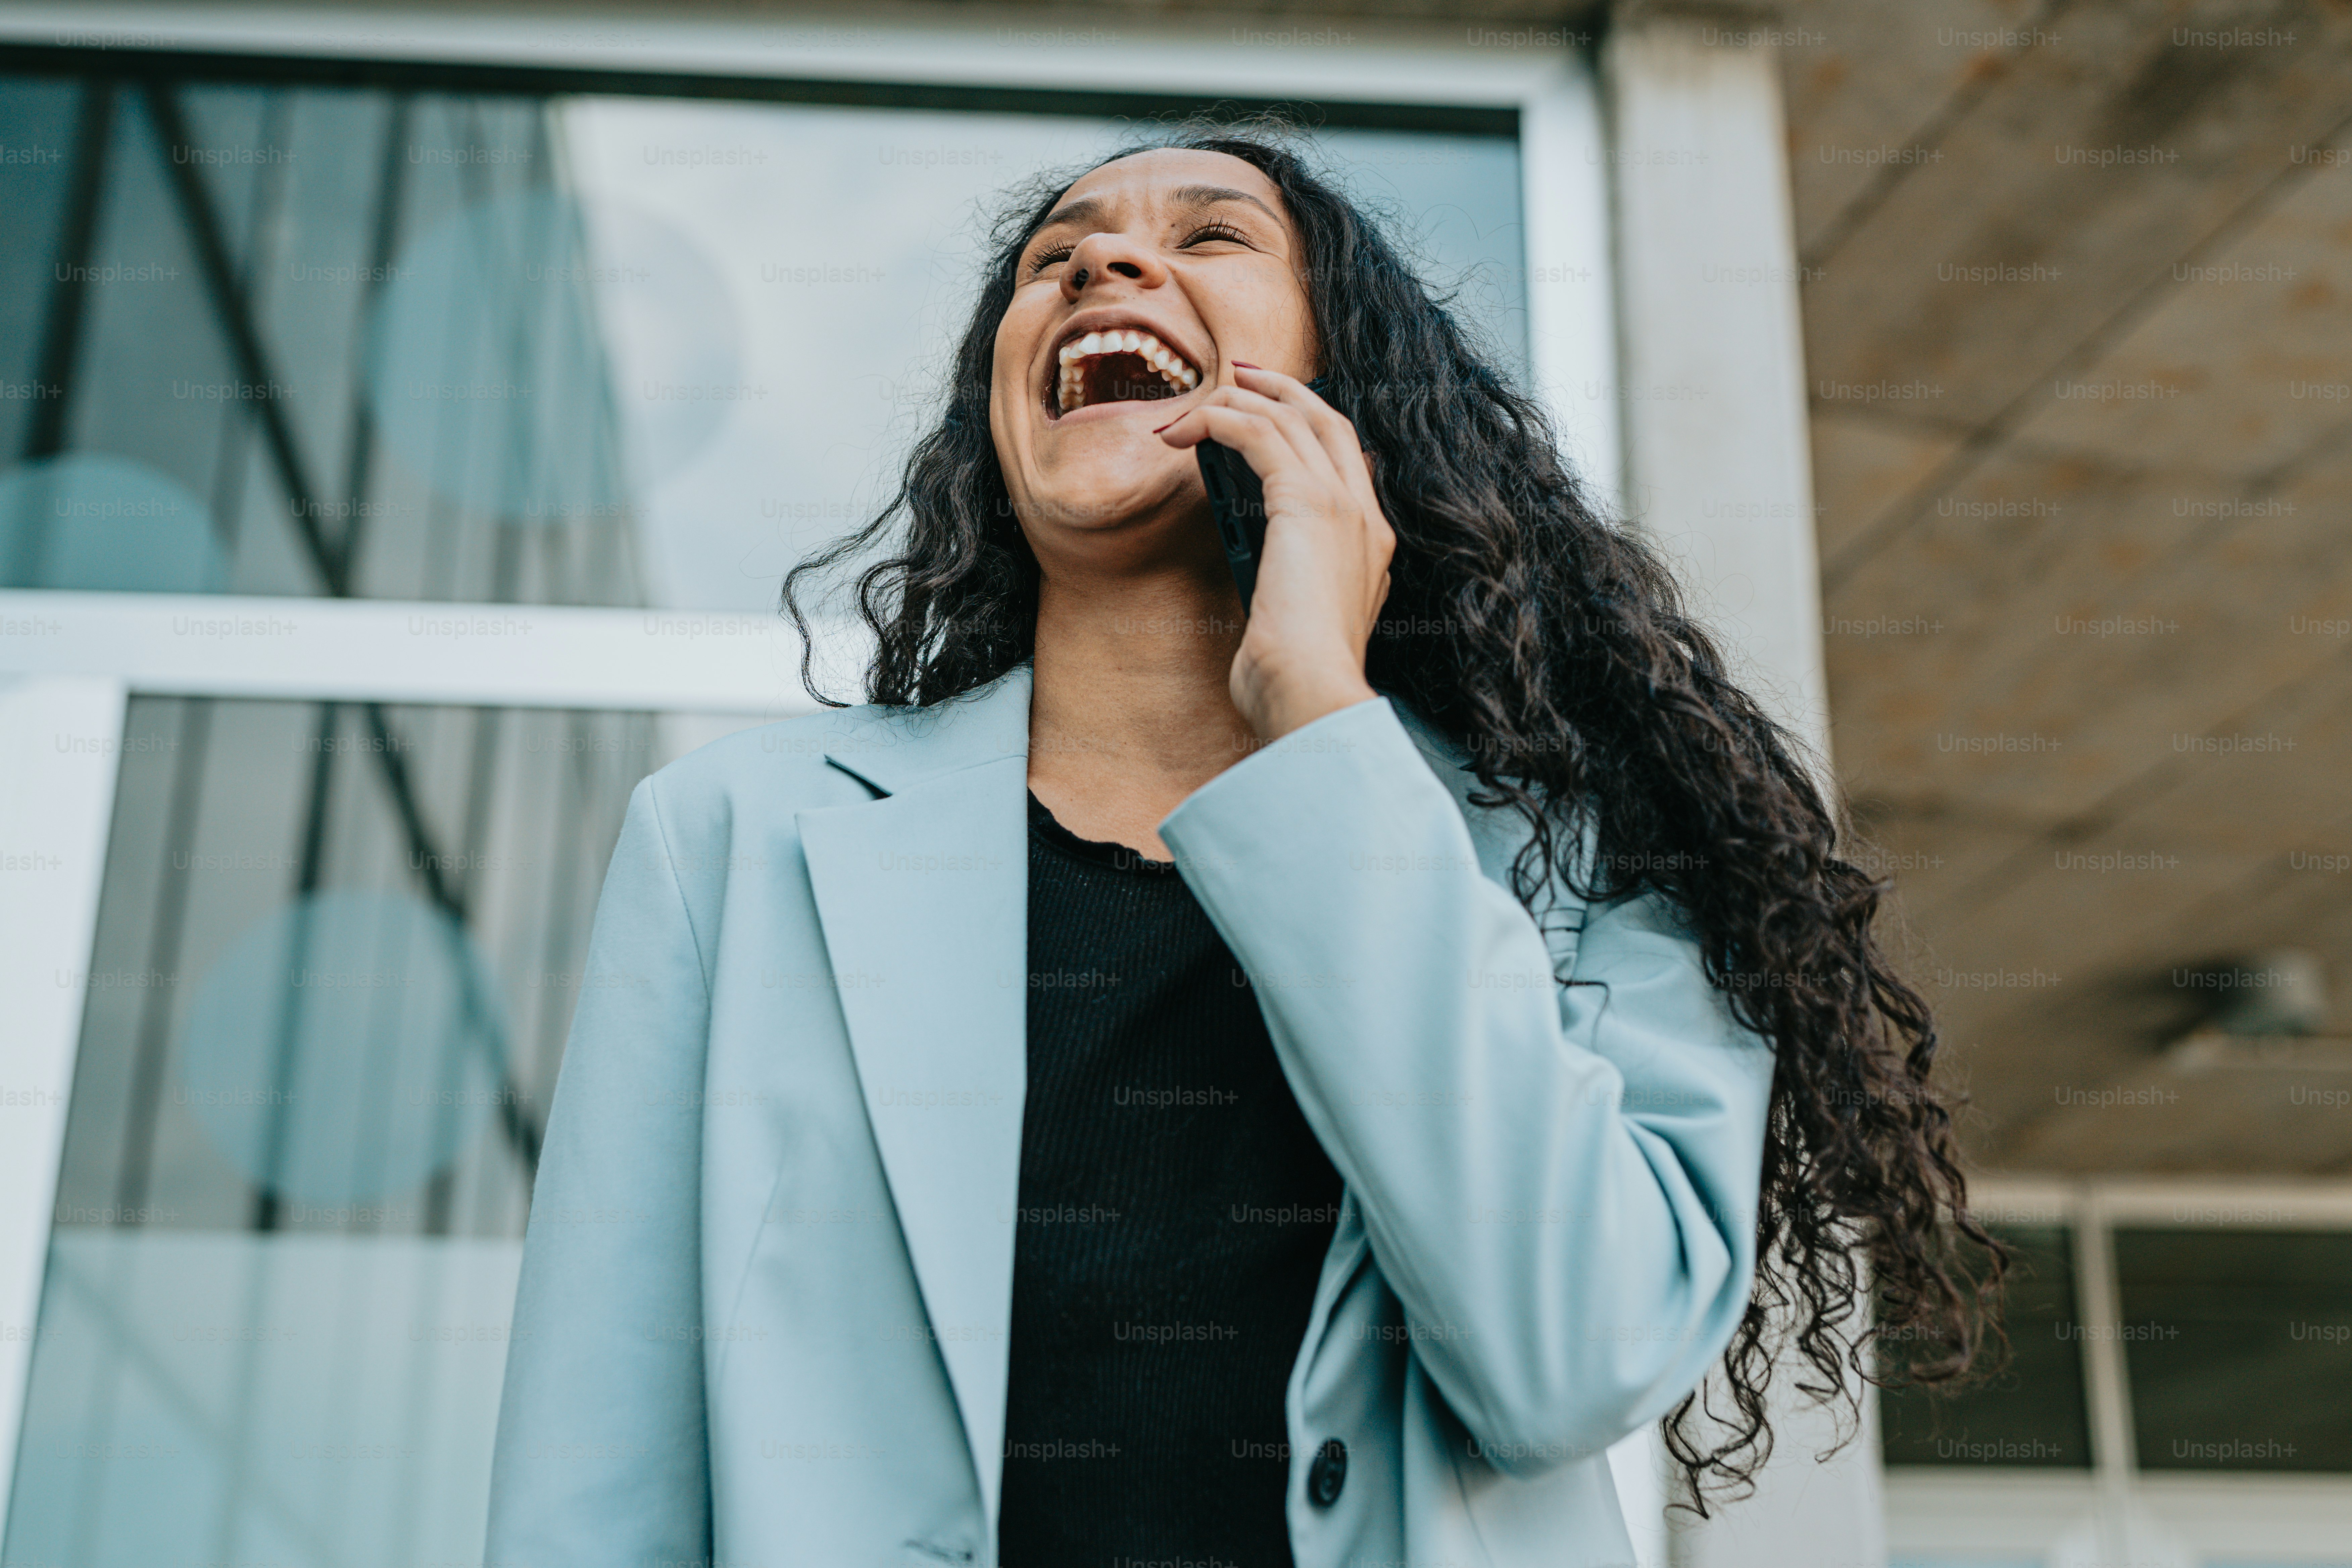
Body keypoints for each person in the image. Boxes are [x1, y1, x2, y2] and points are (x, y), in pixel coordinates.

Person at [486, 125, 1994, 1568]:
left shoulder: (1584, 867)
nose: (1101, 270)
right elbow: (594, 1470)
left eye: (1209, 238)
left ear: (1349, 393)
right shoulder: (734, 845)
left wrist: (1322, 721)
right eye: (1055, 260)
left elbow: (1570, 1356)